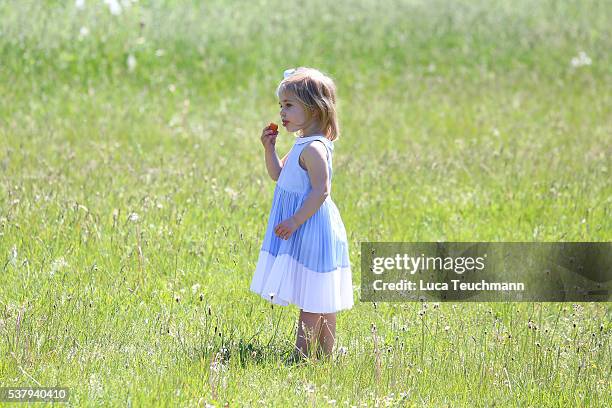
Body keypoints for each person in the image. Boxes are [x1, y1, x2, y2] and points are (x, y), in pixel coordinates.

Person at [250, 67, 354, 362]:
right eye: (281, 105)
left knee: (314, 298)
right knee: (319, 293)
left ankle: (303, 356)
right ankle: (322, 355)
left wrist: (296, 220)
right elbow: (278, 176)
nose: (282, 112)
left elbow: (321, 190)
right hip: (306, 225)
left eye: (289, 105)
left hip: (312, 226)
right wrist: (269, 149)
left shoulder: (315, 149)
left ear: (314, 108)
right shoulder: (301, 143)